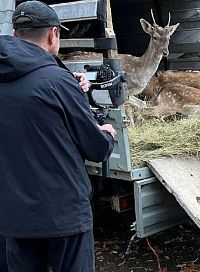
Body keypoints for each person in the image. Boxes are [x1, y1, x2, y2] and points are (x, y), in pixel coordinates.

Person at [0, 1, 116, 271]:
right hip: (62, 214)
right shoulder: (57, 81)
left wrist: (76, 91)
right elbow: (95, 149)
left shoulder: (54, 79)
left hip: (13, 214)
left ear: (16, 34)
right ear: (53, 35)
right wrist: (107, 133)